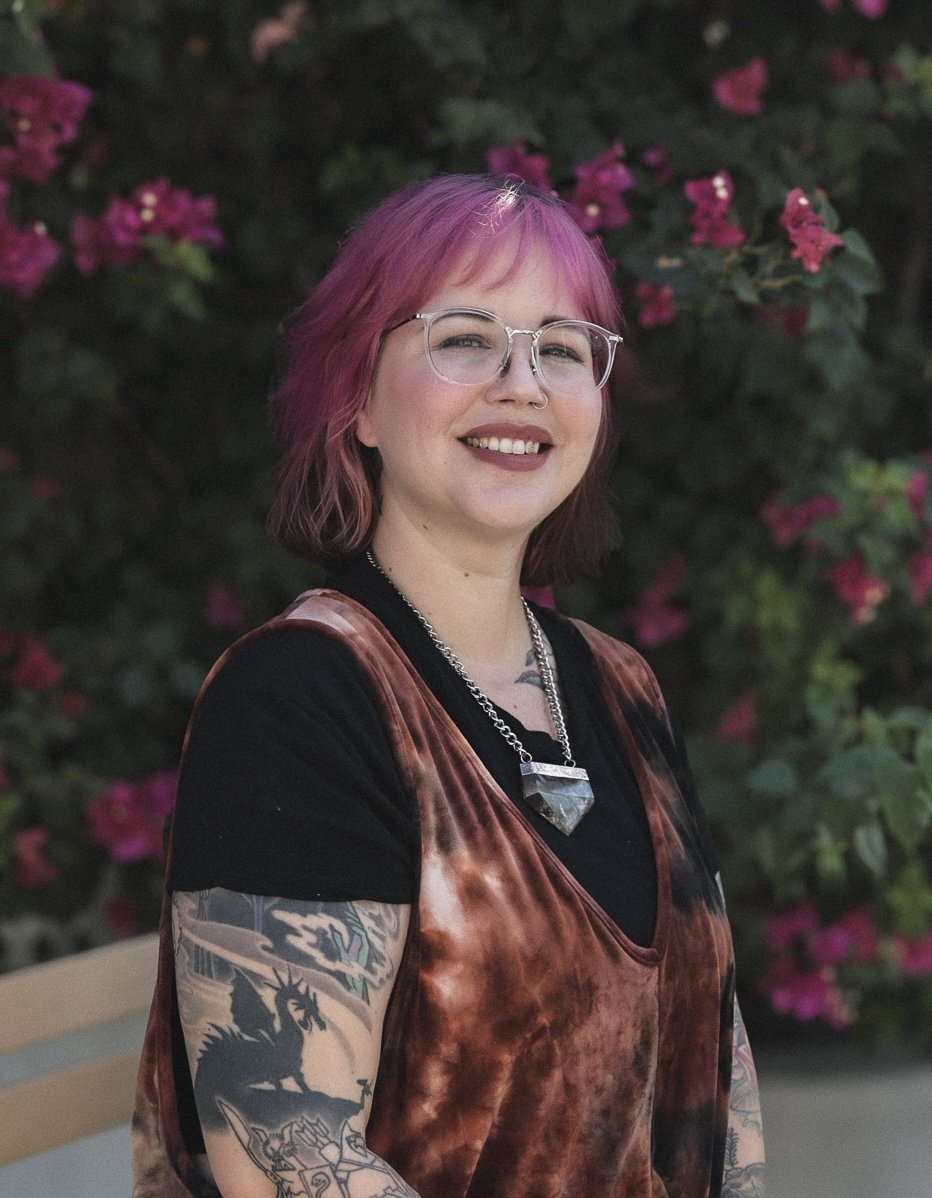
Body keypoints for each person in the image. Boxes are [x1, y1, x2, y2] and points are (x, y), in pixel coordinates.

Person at [131, 173, 765, 1198]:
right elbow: (281, 1152)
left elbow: (714, 1078)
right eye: (464, 337)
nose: (521, 383)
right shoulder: (297, 700)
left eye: (560, 348)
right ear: (357, 403)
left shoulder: (621, 687)